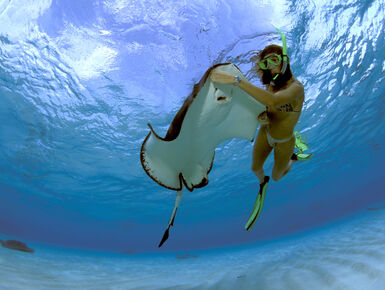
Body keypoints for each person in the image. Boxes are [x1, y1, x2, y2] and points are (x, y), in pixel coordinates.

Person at [210, 30, 312, 230]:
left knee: (277, 176)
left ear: (284, 60)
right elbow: (269, 106)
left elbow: (274, 101)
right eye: (265, 64)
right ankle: (262, 182)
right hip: (265, 134)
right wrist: (263, 117)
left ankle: (292, 159)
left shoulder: (296, 88)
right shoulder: (270, 87)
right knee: (255, 169)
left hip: (284, 142)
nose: (271, 67)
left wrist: (236, 81)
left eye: (273, 60)